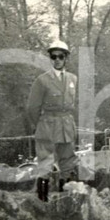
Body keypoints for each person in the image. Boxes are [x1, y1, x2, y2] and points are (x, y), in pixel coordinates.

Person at [26, 39, 79, 201]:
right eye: (53, 56)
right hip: (47, 123)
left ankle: (67, 198)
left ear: (66, 58)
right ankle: (43, 200)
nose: (57, 60)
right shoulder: (42, 81)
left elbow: (71, 104)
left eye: (61, 56)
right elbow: (32, 108)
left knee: (68, 160)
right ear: (50, 58)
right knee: (45, 162)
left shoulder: (72, 79)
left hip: (66, 124)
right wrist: (40, 124)